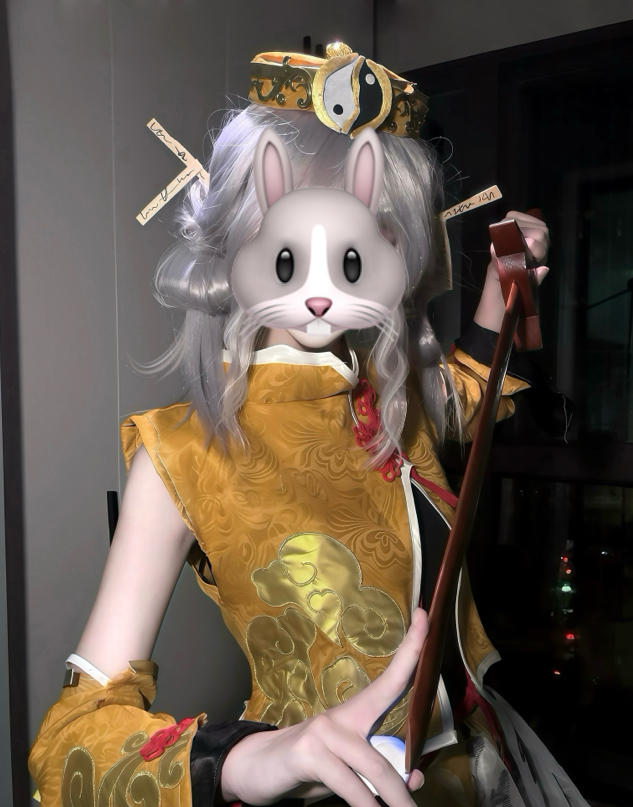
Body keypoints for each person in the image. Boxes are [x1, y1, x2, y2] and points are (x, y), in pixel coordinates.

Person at [29, 44, 583, 807]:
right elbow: (68, 740)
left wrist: (502, 281)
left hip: (480, 765)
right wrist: (243, 756)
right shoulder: (183, 449)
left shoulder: (393, 404)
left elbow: (466, 395)